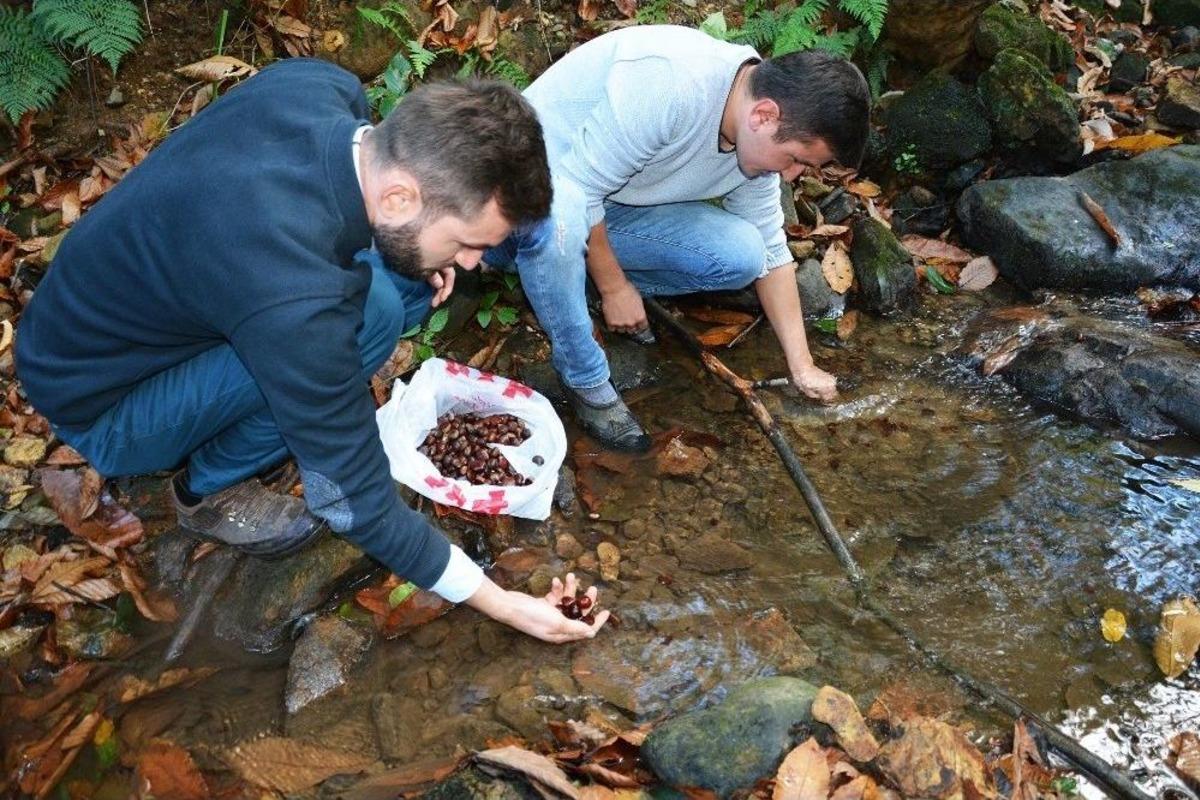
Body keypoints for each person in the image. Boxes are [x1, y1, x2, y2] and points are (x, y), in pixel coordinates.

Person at [15, 58, 609, 642]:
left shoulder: (319, 87)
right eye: (468, 242)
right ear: (401, 198)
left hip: (102, 314)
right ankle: (204, 492)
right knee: (363, 323)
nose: (474, 262)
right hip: (101, 405)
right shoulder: (296, 302)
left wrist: (419, 251)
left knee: (394, 288)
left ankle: (401, 266)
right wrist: (505, 604)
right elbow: (353, 497)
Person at [485, 25, 871, 451]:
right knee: (563, 216)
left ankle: (574, 285)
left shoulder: (755, 132)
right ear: (764, 115)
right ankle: (586, 381)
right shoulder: (671, 85)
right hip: (520, 203)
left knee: (745, 253)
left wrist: (803, 366)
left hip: (608, 207)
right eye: (796, 160)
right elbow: (578, 188)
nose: (791, 176)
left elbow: (773, 254)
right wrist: (616, 287)